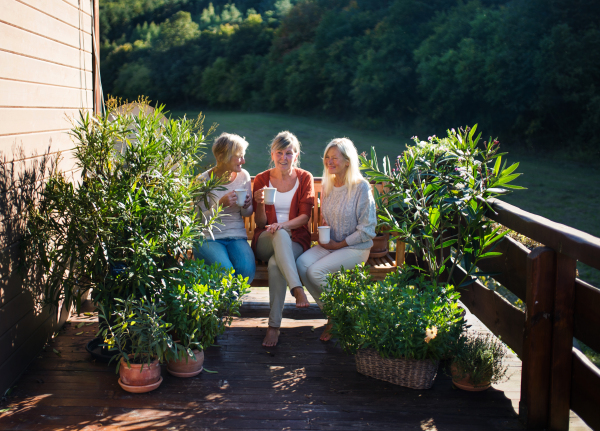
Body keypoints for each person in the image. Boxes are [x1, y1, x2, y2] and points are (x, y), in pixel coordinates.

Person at [296, 138, 376, 341]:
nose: (329, 162)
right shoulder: (329, 185)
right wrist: (325, 231)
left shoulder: (361, 188)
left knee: (316, 271)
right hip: (332, 245)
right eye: (327, 158)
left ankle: (340, 316)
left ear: (348, 161)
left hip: (356, 248)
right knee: (301, 263)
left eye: (335, 158)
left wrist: (338, 244)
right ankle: (335, 315)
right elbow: (329, 218)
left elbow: (367, 230)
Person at [252, 131, 315, 347]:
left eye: (289, 153)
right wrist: (259, 203)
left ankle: (273, 326)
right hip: (265, 241)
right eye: (279, 152)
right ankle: (297, 289)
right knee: (276, 236)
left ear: (296, 156)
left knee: (275, 264)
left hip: (295, 240)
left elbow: (305, 217)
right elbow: (260, 224)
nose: (284, 158)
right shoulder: (261, 179)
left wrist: (282, 225)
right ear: (272, 154)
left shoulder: (305, 178)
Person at [194, 132, 255, 282]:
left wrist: (247, 205)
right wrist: (219, 205)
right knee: (225, 271)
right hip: (208, 238)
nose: (243, 161)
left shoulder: (243, 176)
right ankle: (226, 305)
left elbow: (247, 213)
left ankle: (226, 305)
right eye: (239, 156)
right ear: (222, 157)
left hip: (236, 236)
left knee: (245, 271)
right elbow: (197, 220)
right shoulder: (202, 181)